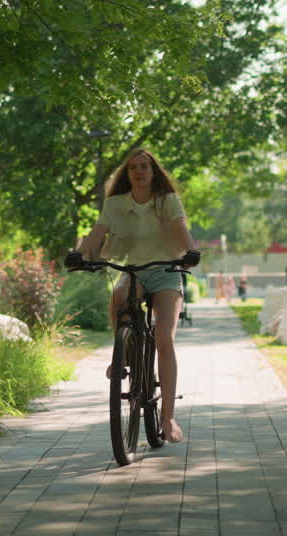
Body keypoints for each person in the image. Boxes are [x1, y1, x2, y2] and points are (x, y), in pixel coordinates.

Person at [76, 148, 196, 443]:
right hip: (135, 271)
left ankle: (167, 419)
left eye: (144, 167)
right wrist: (79, 255)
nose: (139, 172)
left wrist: (190, 252)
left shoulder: (166, 200)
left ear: (153, 171)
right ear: (126, 174)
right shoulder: (116, 203)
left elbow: (182, 231)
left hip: (166, 270)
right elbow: (97, 233)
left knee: (164, 339)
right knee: (118, 300)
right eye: (133, 168)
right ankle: (124, 358)